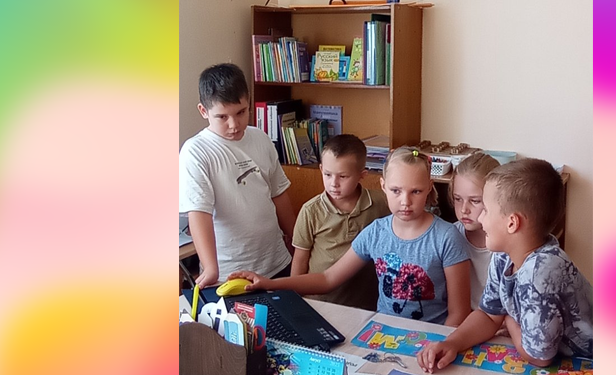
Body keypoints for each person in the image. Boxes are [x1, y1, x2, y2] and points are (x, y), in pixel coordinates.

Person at [229, 147, 472, 326]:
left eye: (416, 191)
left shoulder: (447, 237)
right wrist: (269, 283)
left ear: (429, 186)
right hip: (384, 335)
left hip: (432, 339)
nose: (405, 201)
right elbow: (327, 278)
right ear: (383, 186)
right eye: (396, 190)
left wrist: (437, 347)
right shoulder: (376, 232)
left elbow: (458, 313)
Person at [417, 159, 593, 372]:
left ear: (512, 223)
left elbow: (538, 357)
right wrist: (452, 343)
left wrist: (509, 319)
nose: (481, 218)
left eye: (485, 210)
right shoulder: (503, 256)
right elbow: (488, 315)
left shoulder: (541, 273)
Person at [179, 63, 296, 288]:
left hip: (276, 262)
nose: (234, 125)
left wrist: (297, 240)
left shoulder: (260, 138)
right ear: (203, 111)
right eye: (222, 117)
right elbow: (199, 213)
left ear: (249, 102)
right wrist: (211, 268)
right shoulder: (195, 152)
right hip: (229, 273)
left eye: (241, 112)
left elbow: (279, 193)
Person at [290, 134, 390, 310]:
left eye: (343, 176)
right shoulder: (311, 210)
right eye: (327, 174)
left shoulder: (381, 202)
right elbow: (300, 260)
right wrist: (294, 300)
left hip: (366, 305)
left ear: (362, 175)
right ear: (321, 169)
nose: (333, 183)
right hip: (320, 303)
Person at [449, 152, 501, 309]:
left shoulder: (507, 244)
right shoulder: (449, 236)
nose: (464, 209)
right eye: (458, 199)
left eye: (475, 201)